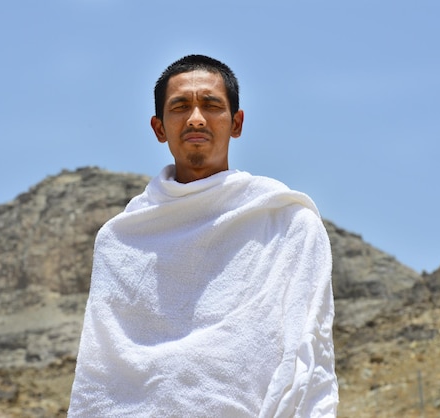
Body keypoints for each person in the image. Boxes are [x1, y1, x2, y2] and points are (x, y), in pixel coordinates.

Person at [68, 54, 338, 417]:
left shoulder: (287, 222)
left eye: (211, 105)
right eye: (180, 106)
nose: (196, 118)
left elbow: (309, 355)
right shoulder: (121, 241)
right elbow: (101, 381)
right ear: (159, 128)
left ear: (236, 123)